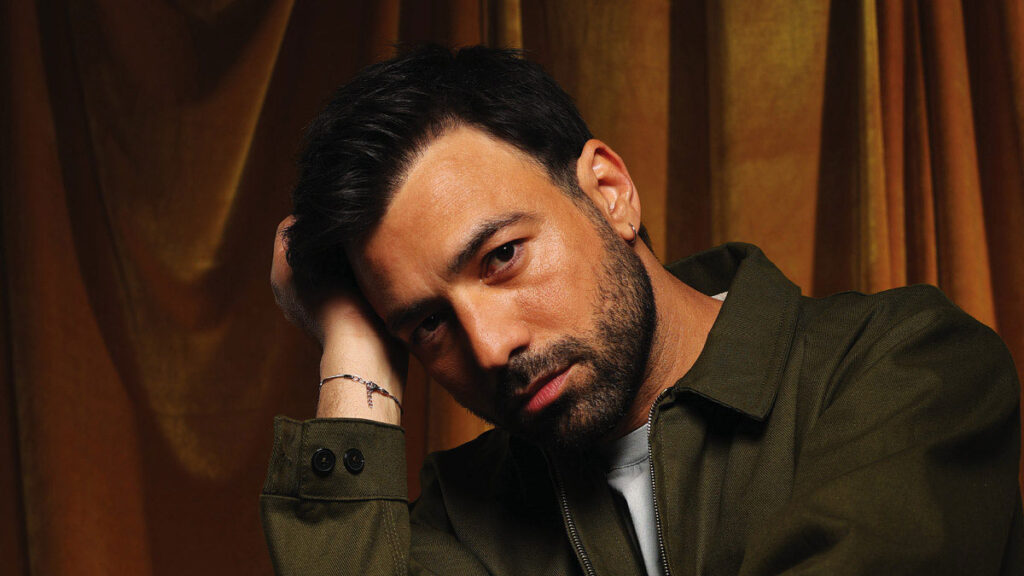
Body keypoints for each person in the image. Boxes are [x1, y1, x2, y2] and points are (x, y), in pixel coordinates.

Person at [260, 45, 1023, 575]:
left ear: (610, 192)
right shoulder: (465, 513)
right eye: (427, 323)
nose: (490, 347)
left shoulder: (902, 363)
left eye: (502, 256)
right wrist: (352, 345)